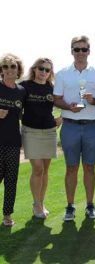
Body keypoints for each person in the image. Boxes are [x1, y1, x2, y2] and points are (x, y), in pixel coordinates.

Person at [54, 35, 95, 221]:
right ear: (71, 51)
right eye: (77, 49)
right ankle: (70, 206)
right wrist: (69, 107)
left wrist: (94, 101)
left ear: (89, 52)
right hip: (70, 126)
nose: (80, 53)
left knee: (89, 167)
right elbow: (57, 98)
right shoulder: (62, 74)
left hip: (92, 126)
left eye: (84, 49)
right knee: (71, 168)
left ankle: (90, 205)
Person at [21, 58, 61, 219]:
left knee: (45, 170)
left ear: (50, 73)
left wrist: (61, 118)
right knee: (37, 169)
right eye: (41, 69)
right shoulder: (24, 86)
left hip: (49, 132)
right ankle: (36, 203)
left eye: (47, 70)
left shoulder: (53, 89)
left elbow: (65, 104)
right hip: (30, 132)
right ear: (34, 69)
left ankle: (41, 202)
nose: (44, 72)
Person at [0, 53, 26, 226]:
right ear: (2, 70)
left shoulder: (21, 92)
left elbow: (25, 114)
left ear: (18, 70)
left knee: (11, 181)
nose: (10, 70)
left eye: (13, 67)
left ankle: (7, 215)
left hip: (13, 142)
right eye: (6, 67)